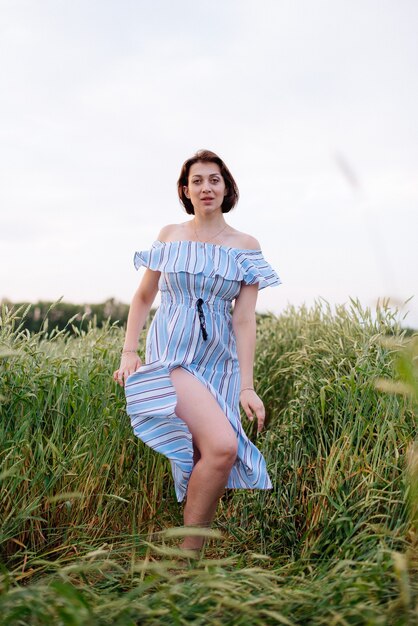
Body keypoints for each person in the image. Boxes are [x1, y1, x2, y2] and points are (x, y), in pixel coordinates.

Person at [113, 149, 281, 554]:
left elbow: (244, 320)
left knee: (214, 455)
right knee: (223, 446)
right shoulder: (170, 235)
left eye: (214, 179)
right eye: (197, 181)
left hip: (218, 364)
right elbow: (142, 297)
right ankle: (186, 561)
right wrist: (128, 351)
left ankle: (187, 561)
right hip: (172, 356)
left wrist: (247, 386)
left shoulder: (246, 246)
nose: (206, 187)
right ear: (185, 191)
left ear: (227, 188)